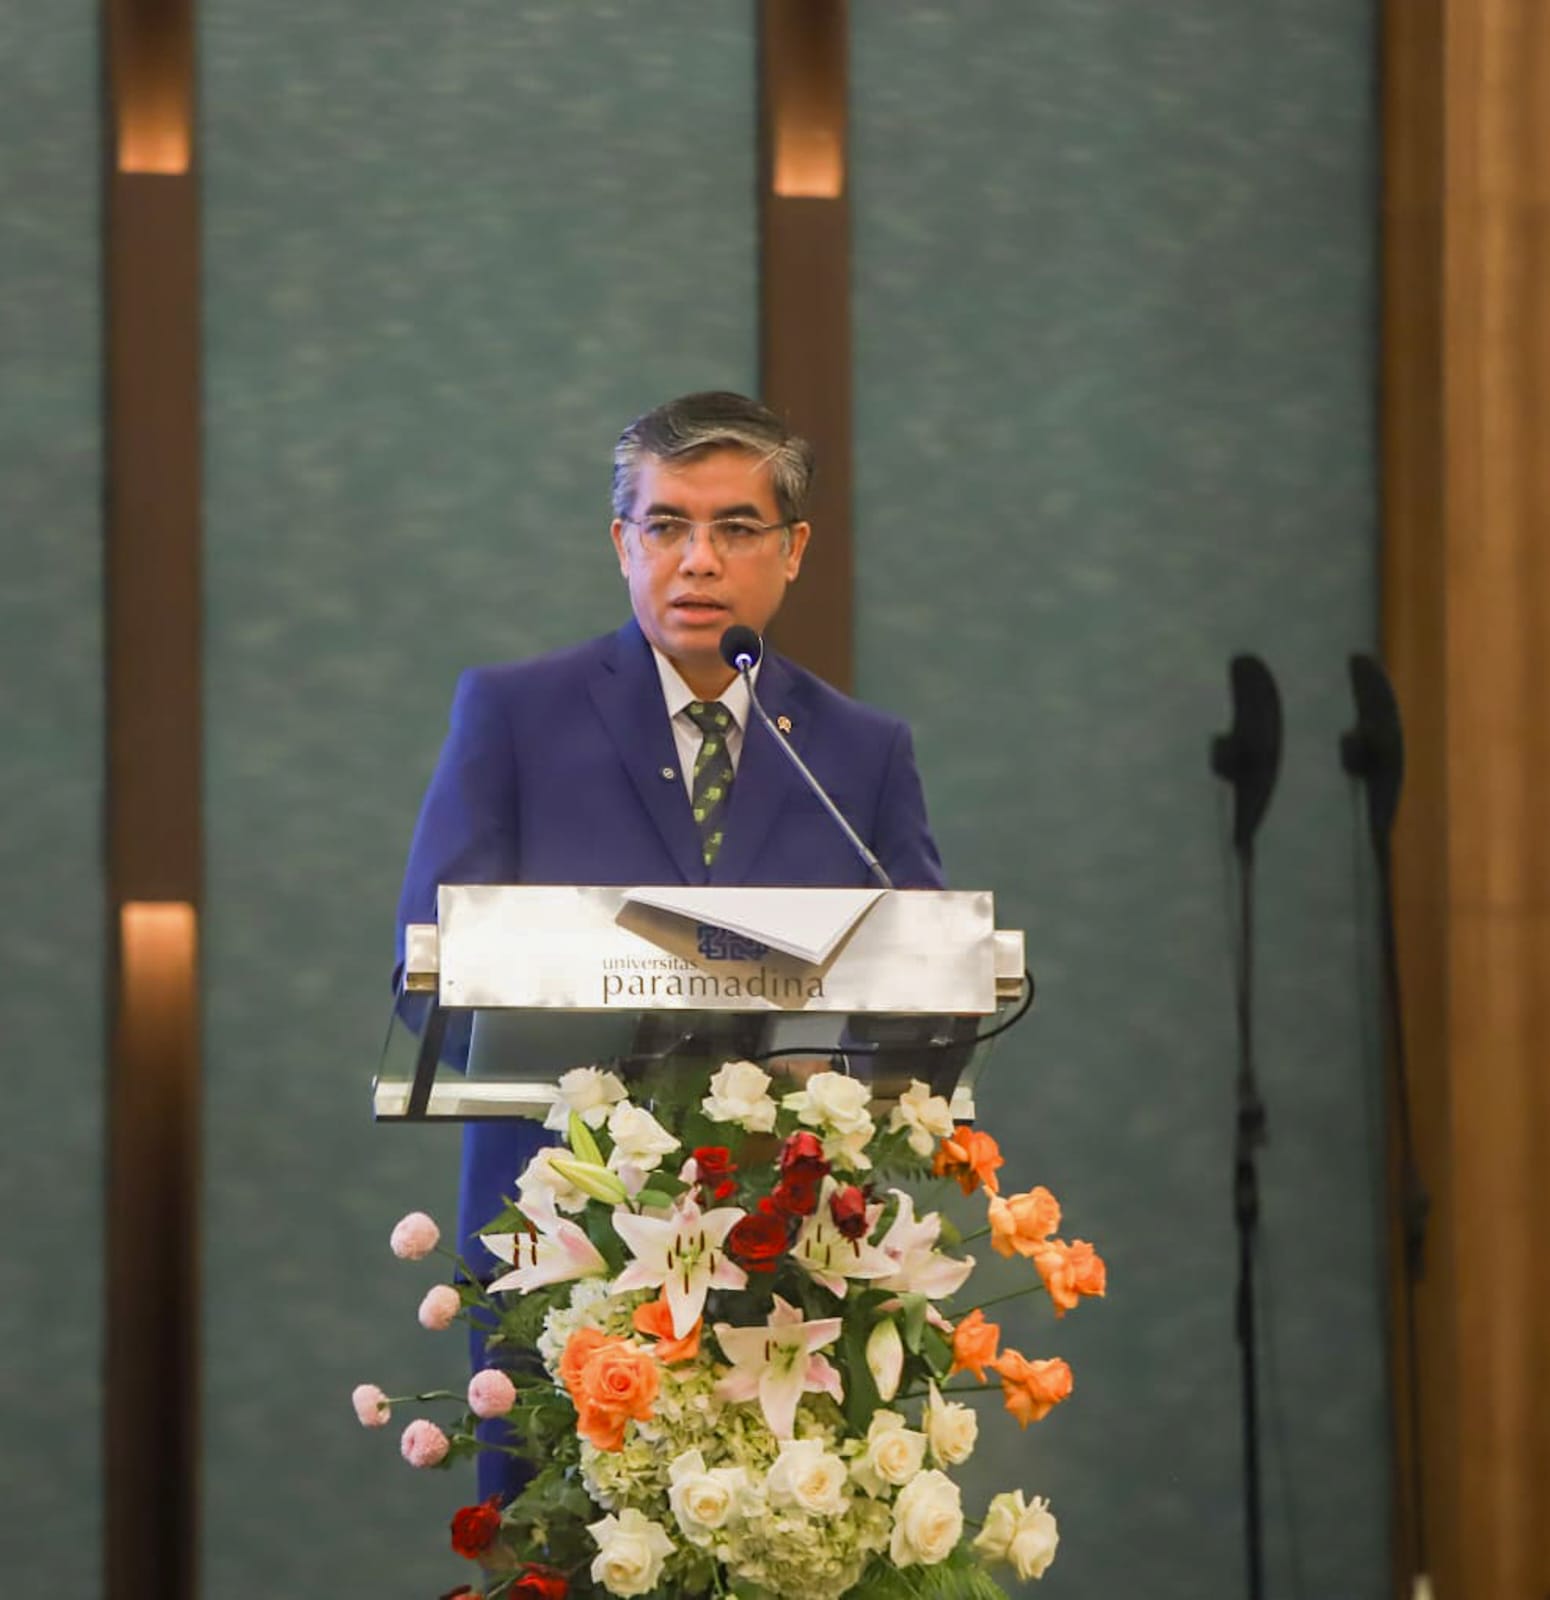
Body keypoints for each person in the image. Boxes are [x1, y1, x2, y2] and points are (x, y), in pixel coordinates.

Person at [394, 390, 944, 1500]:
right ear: (622, 543)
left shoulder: (858, 752)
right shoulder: (514, 716)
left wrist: (832, 1071)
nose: (699, 559)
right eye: (667, 526)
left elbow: (926, 992)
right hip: (560, 1233)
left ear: (792, 551)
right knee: (559, 1533)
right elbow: (429, 975)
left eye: (735, 527)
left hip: (789, 1246)